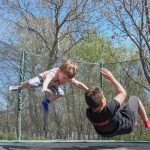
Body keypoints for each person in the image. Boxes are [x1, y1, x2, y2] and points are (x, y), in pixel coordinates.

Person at [85, 68, 150, 138]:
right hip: (127, 127)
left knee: (122, 105)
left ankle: (133, 120)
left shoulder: (89, 113)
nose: (105, 97)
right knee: (134, 99)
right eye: (104, 97)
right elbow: (123, 93)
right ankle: (147, 122)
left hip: (104, 133)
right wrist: (111, 78)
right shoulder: (110, 108)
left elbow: (92, 102)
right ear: (102, 101)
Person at [9, 60, 89, 112]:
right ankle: (19, 87)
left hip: (53, 85)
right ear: (60, 71)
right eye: (64, 78)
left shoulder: (68, 78)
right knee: (30, 83)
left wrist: (87, 90)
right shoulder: (54, 73)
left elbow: (78, 83)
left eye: (67, 79)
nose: (65, 80)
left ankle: (46, 102)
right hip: (42, 80)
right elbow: (47, 79)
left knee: (61, 93)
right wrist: (44, 87)